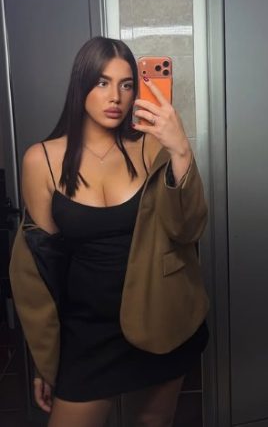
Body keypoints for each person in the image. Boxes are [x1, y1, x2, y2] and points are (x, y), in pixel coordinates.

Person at [9, 36, 209, 427]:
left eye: (126, 84)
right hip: (86, 333)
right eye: (102, 82)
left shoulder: (151, 149)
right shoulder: (41, 160)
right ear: (80, 84)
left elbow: (187, 229)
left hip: (158, 319)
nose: (115, 96)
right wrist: (45, 357)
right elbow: (42, 269)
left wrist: (181, 150)